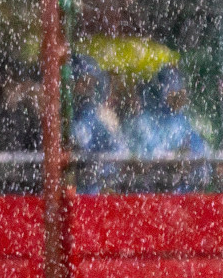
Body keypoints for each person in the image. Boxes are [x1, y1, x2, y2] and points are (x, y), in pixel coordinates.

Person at [127, 65, 210, 192]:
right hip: (153, 194)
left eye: (181, 90)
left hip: (182, 195)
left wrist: (191, 156)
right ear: (162, 91)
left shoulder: (182, 120)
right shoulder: (145, 121)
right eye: (173, 91)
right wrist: (176, 157)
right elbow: (149, 158)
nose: (179, 96)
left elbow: (202, 153)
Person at [69, 54, 127, 194]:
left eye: (92, 83)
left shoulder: (93, 116)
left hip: (91, 194)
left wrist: (98, 172)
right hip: (67, 191)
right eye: (83, 82)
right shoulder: (59, 112)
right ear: (71, 83)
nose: (89, 89)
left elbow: (119, 151)